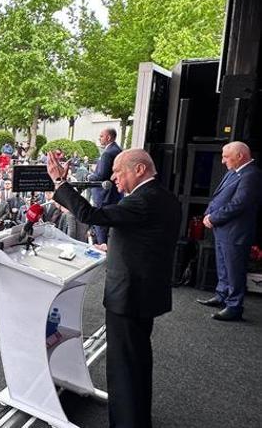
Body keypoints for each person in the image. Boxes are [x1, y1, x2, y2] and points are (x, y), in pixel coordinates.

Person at [47, 148, 180, 428]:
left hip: (130, 296)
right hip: (145, 293)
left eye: (118, 171)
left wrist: (60, 182)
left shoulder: (143, 200)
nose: (113, 178)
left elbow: (90, 213)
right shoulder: (163, 197)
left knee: (124, 368)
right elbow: (145, 239)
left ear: (140, 169)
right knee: (137, 362)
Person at [198, 141, 262, 321]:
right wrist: (208, 213)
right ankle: (222, 295)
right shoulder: (234, 172)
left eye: (226, 157)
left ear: (240, 156)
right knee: (224, 266)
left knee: (234, 269)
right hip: (223, 228)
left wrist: (213, 217)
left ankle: (234, 306)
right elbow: (219, 196)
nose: (223, 161)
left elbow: (239, 204)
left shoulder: (251, 175)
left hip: (236, 232)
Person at [87, 128, 123, 245]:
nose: (99, 138)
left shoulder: (108, 153)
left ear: (108, 138)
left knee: (101, 228)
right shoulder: (118, 150)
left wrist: (90, 176)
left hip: (104, 198)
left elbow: (101, 175)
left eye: (101, 136)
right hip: (114, 196)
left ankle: (102, 250)